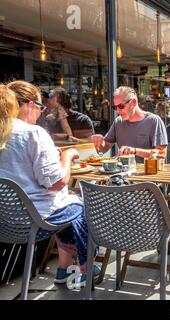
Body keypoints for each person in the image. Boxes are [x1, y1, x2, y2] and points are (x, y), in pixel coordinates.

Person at [0, 81, 98, 285]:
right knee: (82, 205)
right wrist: (67, 157)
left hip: (4, 222)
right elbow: (57, 183)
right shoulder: (32, 133)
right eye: (40, 107)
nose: (41, 113)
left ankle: (64, 269)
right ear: (29, 105)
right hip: (32, 221)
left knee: (68, 206)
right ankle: (86, 267)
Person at [91, 86, 168, 162]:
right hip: (122, 172)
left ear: (133, 102)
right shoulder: (118, 122)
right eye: (115, 107)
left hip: (147, 172)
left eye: (121, 106)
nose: (117, 111)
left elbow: (161, 154)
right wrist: (99, 142)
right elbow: (103, 149)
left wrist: (135, 151)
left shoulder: (154, 121)